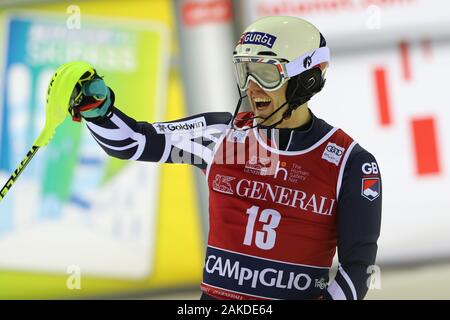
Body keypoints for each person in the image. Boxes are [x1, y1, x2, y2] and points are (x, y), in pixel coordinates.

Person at [71, 16, 382, 300]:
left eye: (266, 73)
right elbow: (133, 142)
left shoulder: (350, 163)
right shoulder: (221, 137)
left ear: (307, 79)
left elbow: (358, 267)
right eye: (245, 71)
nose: (252, 86)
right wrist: (98, 109)